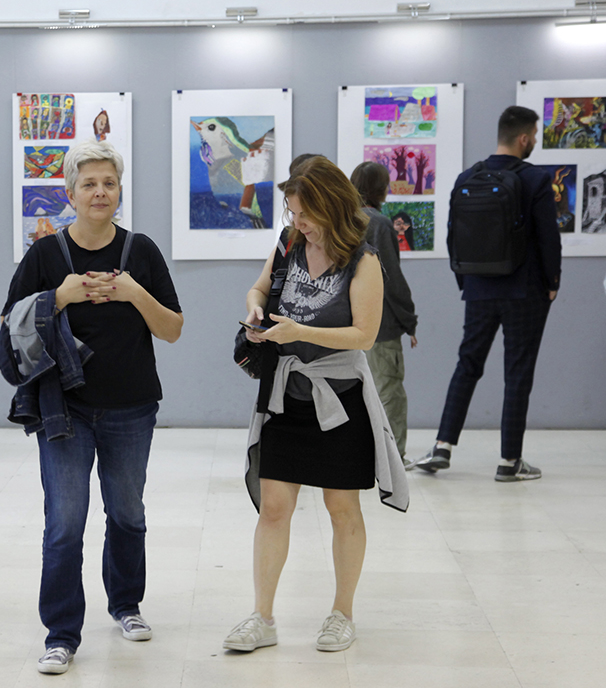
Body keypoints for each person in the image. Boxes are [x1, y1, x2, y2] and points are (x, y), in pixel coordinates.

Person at [0, 140, 183, 675]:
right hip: (65, 410)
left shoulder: (141, 251)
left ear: (119, 191)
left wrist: (133, 293)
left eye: (109, 183)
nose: (100, 192)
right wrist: (61, 296)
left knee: (127, 514)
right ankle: (61, 634)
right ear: (70, 193)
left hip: (132, 407)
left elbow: (173, 329)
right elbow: (7, 325)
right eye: (89, 184)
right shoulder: (45, 255)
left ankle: (126, 604)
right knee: (64, 523)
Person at [225, 155, 407, 656]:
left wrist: (299, 331)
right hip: (285, 397)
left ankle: (342, 614)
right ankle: (262, 617)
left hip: (340, 400)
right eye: (292, 212)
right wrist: (256, 309)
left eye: (305, 213)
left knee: (341, 508)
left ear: (331, 206)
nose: (297, 222)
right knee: (273, 508)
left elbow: (364, 335)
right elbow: (260, 287)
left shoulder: (363, 261)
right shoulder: (289, 244)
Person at [408, 106, 561, 481]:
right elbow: (548, 238)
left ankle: (442, 446)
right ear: (523, 138)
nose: (535, 141)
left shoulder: (467, 177)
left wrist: (467, 283)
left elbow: (453, 237)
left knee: (467, 364)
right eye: (534, 136)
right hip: (525, 290)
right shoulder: (536, 179)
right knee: (517, 371)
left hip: (478, 289)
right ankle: (509, 462)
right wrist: (552, 283)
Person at [350, 160, 419, 460]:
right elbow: (391, 280)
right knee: (389, 391)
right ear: (381, 189)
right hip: (380, 325)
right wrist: (409, 320)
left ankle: (362, 454)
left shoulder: (343, 220)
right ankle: (392, 459)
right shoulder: (378, 224)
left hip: (346, 323)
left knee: (355, 392)